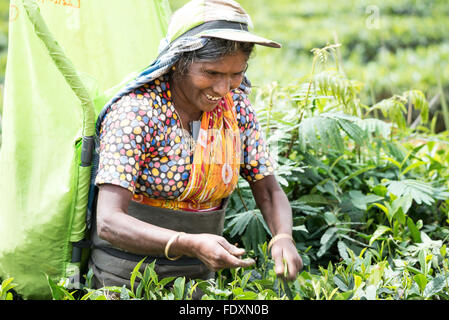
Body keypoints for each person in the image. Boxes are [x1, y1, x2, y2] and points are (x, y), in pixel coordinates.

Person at [88, 0, 303, 293]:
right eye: (211, 73)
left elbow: (268, 189)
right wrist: (188, 242)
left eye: (236, 73)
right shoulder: (137, 113)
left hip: (199, 280)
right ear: (178, 62)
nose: (224, 88)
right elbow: (109, 221)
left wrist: (283, 237)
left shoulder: (235, 106)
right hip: (127, 279)